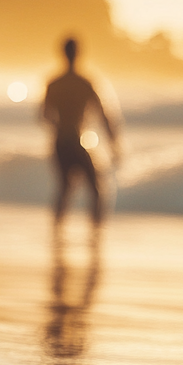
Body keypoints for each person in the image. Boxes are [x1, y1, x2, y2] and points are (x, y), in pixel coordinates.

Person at [41, 37, 121, 226]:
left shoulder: (54, 84)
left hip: (60, 142)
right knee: (96, 189)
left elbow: (44, 115)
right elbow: (104, 115)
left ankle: (57, 231)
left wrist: (60, 125)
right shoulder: (85, 83)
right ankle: (95, 233)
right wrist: (114, 143)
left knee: (65, 188)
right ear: (78, 53)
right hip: (75, 141)